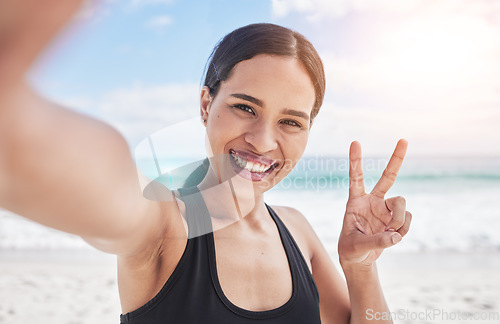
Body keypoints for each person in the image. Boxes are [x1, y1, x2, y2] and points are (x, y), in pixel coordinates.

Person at [0, 1, 412, 323]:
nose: (264, 140)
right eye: (245, 108)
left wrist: (360, 269)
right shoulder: (164, 223)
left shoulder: (297, 231)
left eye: (290, 121)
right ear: (205, 103)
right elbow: (105, 183)